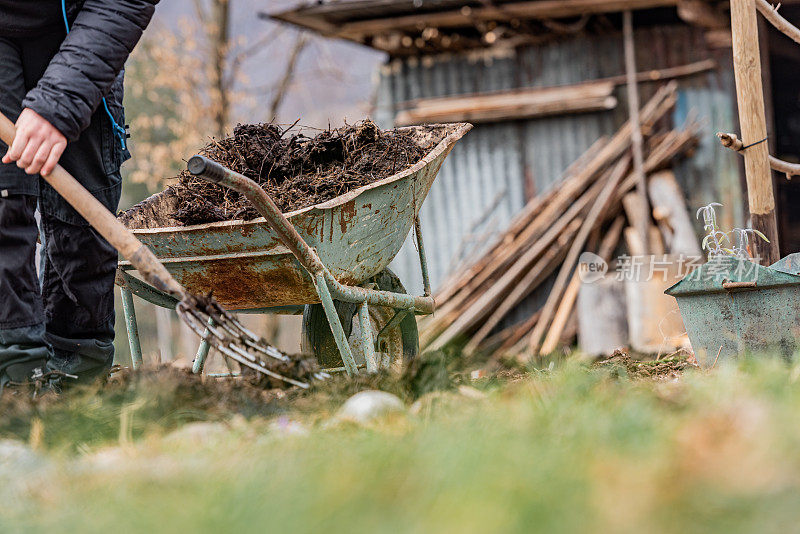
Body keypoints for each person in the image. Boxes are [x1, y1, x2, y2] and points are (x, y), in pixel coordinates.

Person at [0, 0, 159, 390]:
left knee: (84, 222)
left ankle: (78, 388)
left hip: (83, 25)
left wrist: (60, 104)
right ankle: (15, 387)